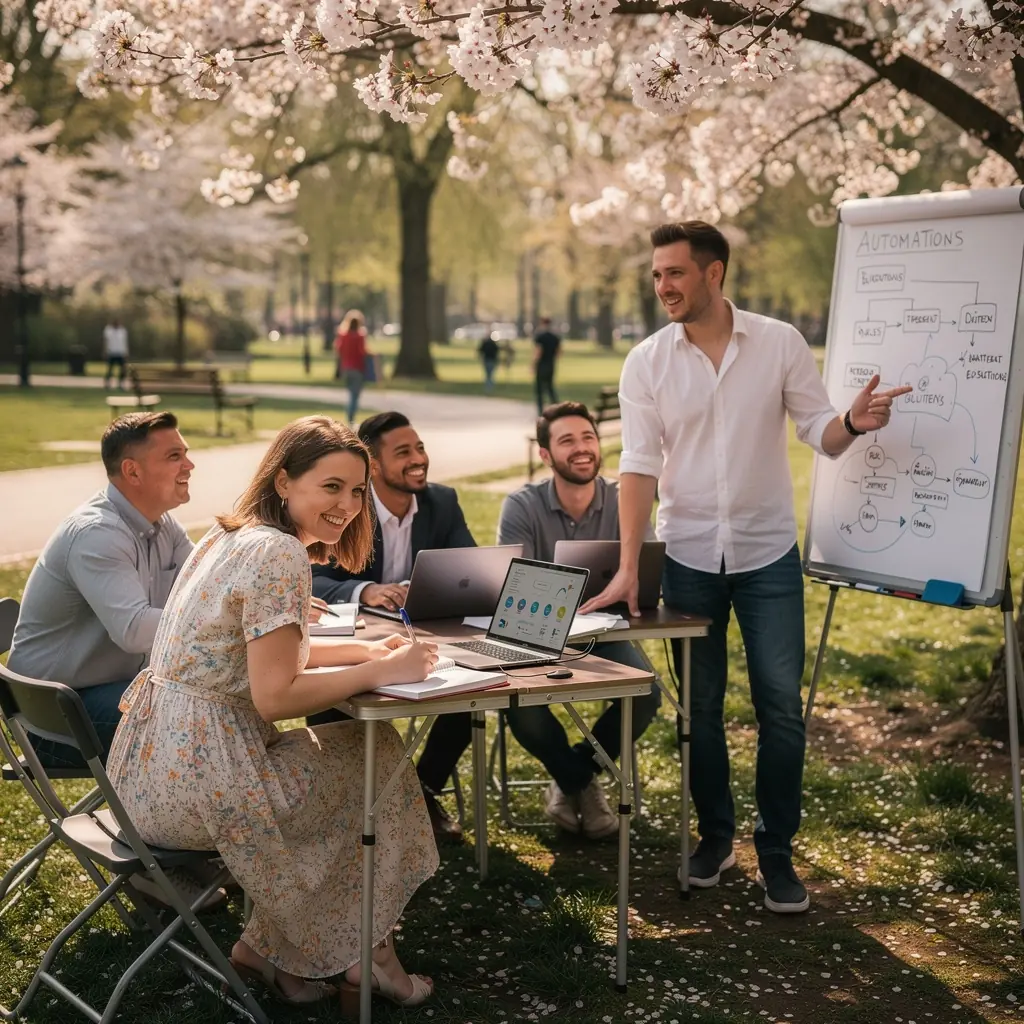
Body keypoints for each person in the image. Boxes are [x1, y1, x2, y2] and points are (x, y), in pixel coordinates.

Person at [582, 221, 911, 913]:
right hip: (691, 555)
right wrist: (628, 567)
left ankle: (777, 853)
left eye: (674, 272)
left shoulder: (780, 342)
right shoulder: (646, 360)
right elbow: (638, 465)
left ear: (714, 273)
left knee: (780, 710)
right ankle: (715, 838)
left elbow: (819, 432)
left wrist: (851, 422)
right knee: (699, 712)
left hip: (767, 556)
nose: (663, 286)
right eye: (656, 274)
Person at [106, 416, 440, 1010]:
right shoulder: (279, 552)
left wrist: (367, 649)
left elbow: (257, 648)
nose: (348, 504)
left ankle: (269, 950)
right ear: (284, 481)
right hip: (203, 782)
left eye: (358, 490)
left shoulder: (232, 534)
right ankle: (373, 957)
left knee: (352, 766)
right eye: (331, 487)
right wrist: (383, 672)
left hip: (146, 770)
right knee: (378, 759)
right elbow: (275, 696)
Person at [496, 401, 661, 840]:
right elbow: (515, 592)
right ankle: (583, 783)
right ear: (546, 455)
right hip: (536, 636)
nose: (582, 448)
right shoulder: (521, 506)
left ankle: (571, 777)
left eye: (588, 437)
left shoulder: (626, 500)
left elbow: (647, 569)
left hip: (606, 630)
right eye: (567, 441)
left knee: (645, 692)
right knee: (524, 712)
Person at [310, 411, 476, 843]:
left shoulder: (443, 501)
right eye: (403, 452)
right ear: (374, 465)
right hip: (358, 638)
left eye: (419, 448)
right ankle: (345, 807)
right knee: (332, 696)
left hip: (425, 632)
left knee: (470, 697)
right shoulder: (348, 508)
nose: (418, 458)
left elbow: (473, 570)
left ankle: (420, 798)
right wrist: (364, 590)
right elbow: (313, 577)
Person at [7, 411, 194, 770]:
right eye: (174, 456)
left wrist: (254, 602)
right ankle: (170, 826)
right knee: (198, 722)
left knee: (212, 710)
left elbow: (209, 585)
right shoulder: (97, 535)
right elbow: (135, 630)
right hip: (51, 718)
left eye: (185, 453)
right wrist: (226, 618)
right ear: (132, 471)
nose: (190, 464)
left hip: (103, 692)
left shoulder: (163, 524)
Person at [335, 310, 368, 423]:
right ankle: (351, 417)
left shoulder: (343, 336)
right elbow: (362, 351)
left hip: (346, 368)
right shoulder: (360, 336)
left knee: (351, 393)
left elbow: (339, 350)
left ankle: (349, 415)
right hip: (357, 368)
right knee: (355, 394)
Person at [533, 317, 561, 414]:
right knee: (550, 388)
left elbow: (538, 352)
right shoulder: (555, 337)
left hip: (542, 365)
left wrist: (533, 364)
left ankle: (540, 411)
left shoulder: (540, 337)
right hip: (551, 364)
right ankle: (556, 408)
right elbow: (559, 353)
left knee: (539, 389)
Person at [103, 317, 129, 389]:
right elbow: (105, 341)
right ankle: (107, 384)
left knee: (123, 370)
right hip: (111, 352)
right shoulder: (108, 330)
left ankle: (121, 384)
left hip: (121, 352)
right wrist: (105, 351)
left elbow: (125, 342)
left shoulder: (122, 330)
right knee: (110, 369)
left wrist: (126, 352)